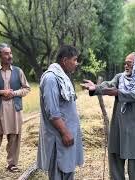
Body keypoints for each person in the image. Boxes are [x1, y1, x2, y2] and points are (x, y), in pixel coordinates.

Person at [81, 52, 135, 180]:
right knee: (115, 166)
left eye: (129, 63)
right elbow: (109, 84)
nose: (126, 66)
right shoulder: (120, 78)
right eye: (125, 63)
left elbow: (133, 95)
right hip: (117, 127)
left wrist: (117, 92)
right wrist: (96, 88)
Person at [0, 43, 30, 180]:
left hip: (14, 109)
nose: (10, 56)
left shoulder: (18, 71)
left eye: (10, 53)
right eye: (6, 53)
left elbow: (26, 88)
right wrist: (1, 92)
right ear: (0, 55)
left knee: (14, 137)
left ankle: (12, 164)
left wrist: (14, 93)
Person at [37, 45, 84, 180]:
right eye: (74, 60)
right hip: (59, 137)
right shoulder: (51, 78)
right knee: (59, 172)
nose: (77, 63)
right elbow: (53, 111)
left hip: (66, 136)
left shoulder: (62, 77)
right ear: (64, 60)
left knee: (67, 171)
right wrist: (65, 132)